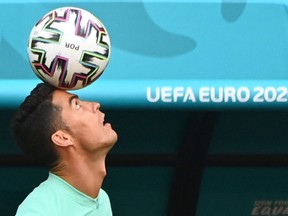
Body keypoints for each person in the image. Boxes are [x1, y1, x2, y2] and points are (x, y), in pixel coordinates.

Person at [11, 82, 118, 216]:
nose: (95, 105)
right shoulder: (38, 210)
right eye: (77, 105)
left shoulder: (102, 199)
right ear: (63, 138)